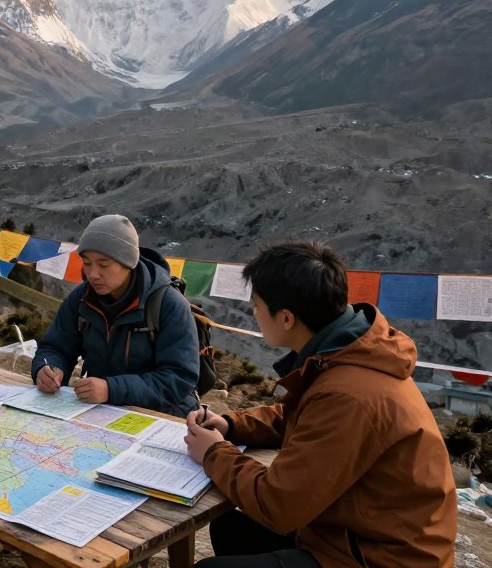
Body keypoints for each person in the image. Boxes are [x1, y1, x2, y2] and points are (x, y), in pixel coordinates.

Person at [183, 242, 456, 568]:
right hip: (351, 532)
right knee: (232, 529)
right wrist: (231, 425)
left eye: (256, 305)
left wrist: (214, 453)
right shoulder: (341, 355)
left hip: (383, 556)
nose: (253, 313)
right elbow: (299, 417)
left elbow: (278, 505)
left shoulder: (348, 394)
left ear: (285, 318)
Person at [32, 214, 200, 416]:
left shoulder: (168, 305)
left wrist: (112, 389)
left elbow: (178, 378)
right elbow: (54, 347)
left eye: (104, 265)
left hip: (162, 415)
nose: (93, 274)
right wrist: (48, 368)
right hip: (101, 411)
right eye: (86, 263)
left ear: (128, 262)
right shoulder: (81, 298)